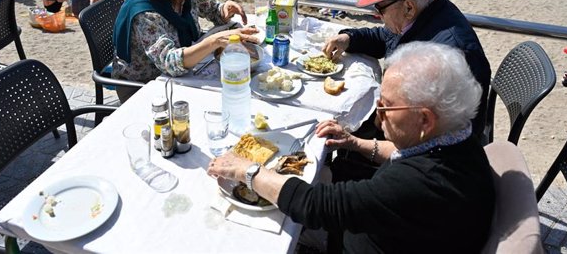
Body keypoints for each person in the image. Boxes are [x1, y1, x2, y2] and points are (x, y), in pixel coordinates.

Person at [208, 41, 495, 254]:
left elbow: (317, 205)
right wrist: (356, 143)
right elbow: (400, 152)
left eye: (386, 107)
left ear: (424, 119)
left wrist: (248, 170)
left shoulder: (420, 183)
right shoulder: (458, 138)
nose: (377, 115)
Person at [323, 0, 491, 147]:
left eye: (380, 9)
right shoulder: (422, 14)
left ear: (409, 7)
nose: (377, 15)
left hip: (426, 150)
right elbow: (383, 38)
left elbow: (447, 143)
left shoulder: (451, 53)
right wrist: (348, 38)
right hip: (404, 124)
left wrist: (359, 145)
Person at [111, 0, 258, 100]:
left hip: (178, 78)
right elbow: (169, 62)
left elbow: (213, 10)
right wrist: (214, 41)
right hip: (142, 87)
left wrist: (225, 9)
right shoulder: (145, 14)